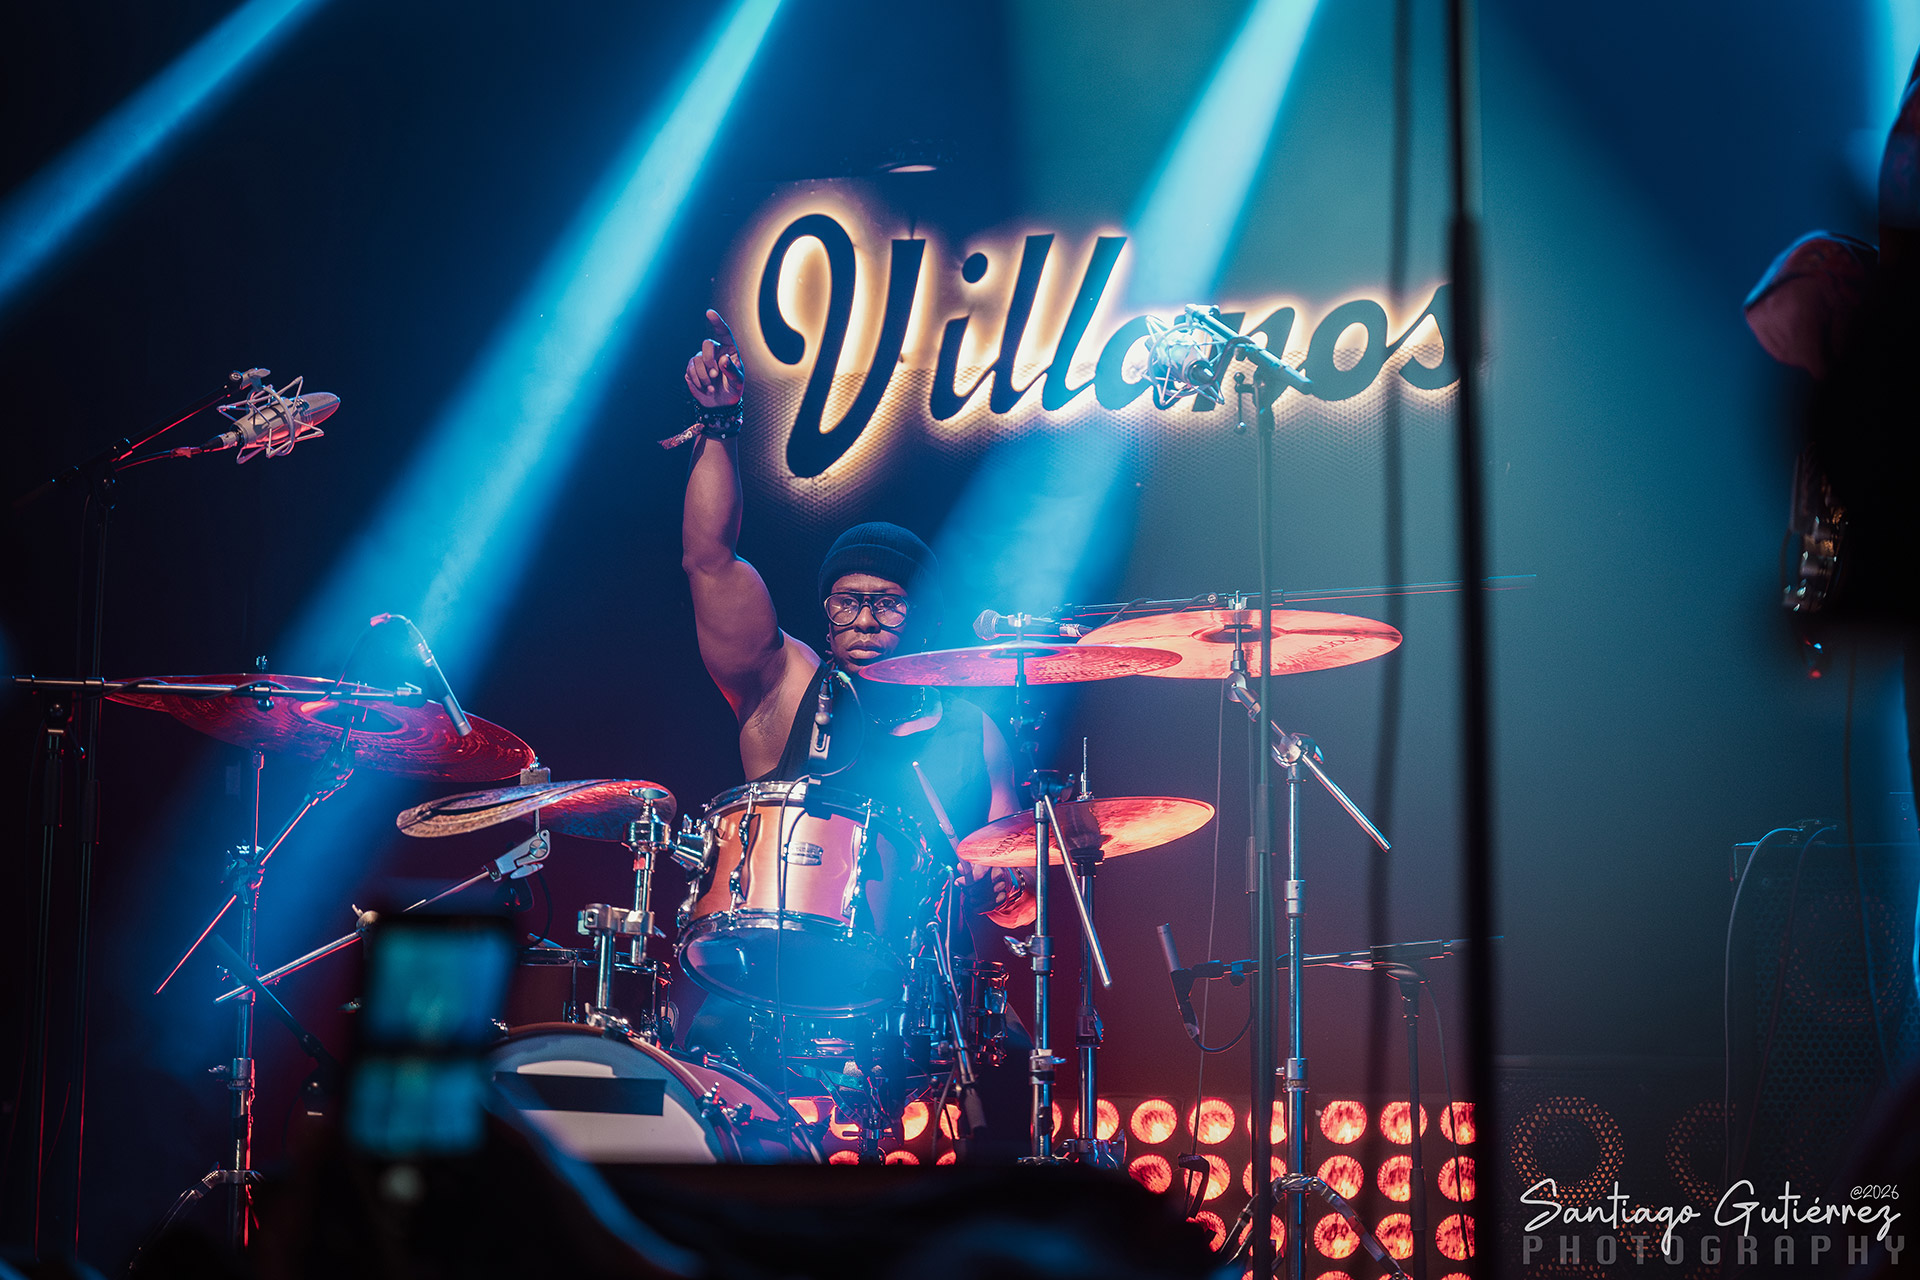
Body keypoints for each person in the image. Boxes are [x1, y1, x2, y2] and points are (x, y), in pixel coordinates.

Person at [674, 309, 1034, 1157]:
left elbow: (1013, 887)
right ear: (826, 610)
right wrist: (720, 426)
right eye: (847, 601)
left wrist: (1007, 891)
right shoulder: (786, 681)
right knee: (698, 1076)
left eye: (888, 602)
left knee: (1013, 1058)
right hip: (766, 962)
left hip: (913, 984)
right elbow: (710, 561)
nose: (865, 617)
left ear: (922, 614)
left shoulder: (974, 729)